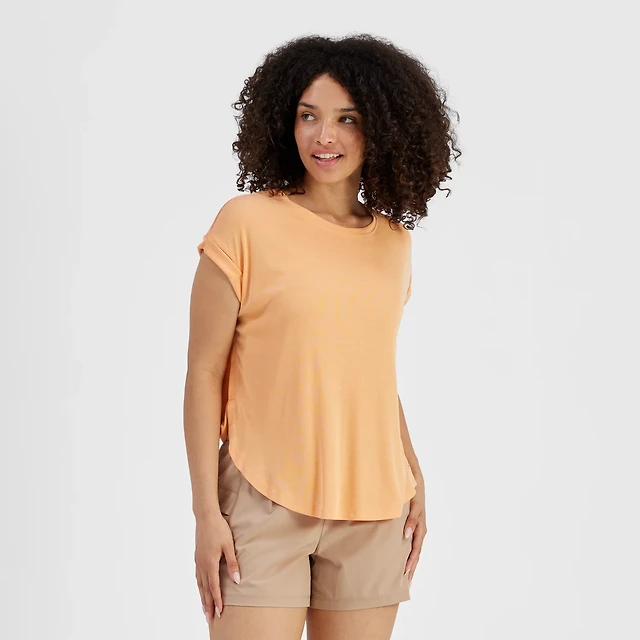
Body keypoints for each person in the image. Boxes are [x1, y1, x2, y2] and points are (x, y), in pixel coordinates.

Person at [183, 33, 461, 640]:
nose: (323, 136)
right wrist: (206, 511)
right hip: (261, 498)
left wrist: (414, 475)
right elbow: (203, 373)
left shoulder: (393, 243)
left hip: (376, 507)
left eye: (346, 119)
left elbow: (367, 372)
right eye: (308, 116)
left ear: (383, 128)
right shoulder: (246, 223)